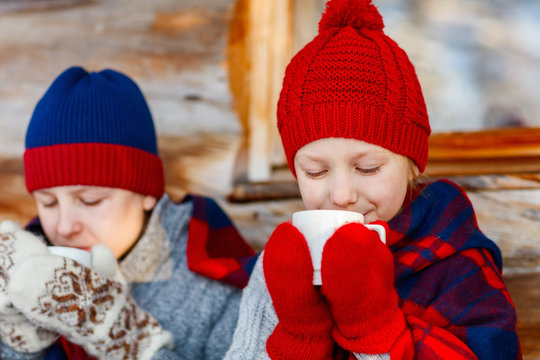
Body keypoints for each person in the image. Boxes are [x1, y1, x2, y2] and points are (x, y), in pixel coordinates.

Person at [224, 0, 521, 359]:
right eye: (316, 171)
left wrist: (376, 331)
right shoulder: (285, 266)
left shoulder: (456, 269)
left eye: (367, 168)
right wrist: (297, 336)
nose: (342, 194)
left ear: (412, 165)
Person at [0, 66, 257, 360]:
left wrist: (128, 342)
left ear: (146, 192)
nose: (64, 226)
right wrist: (17, 343)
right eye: (48, 202)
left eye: (90, 200)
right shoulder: (26, 264)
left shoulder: (217, 289)